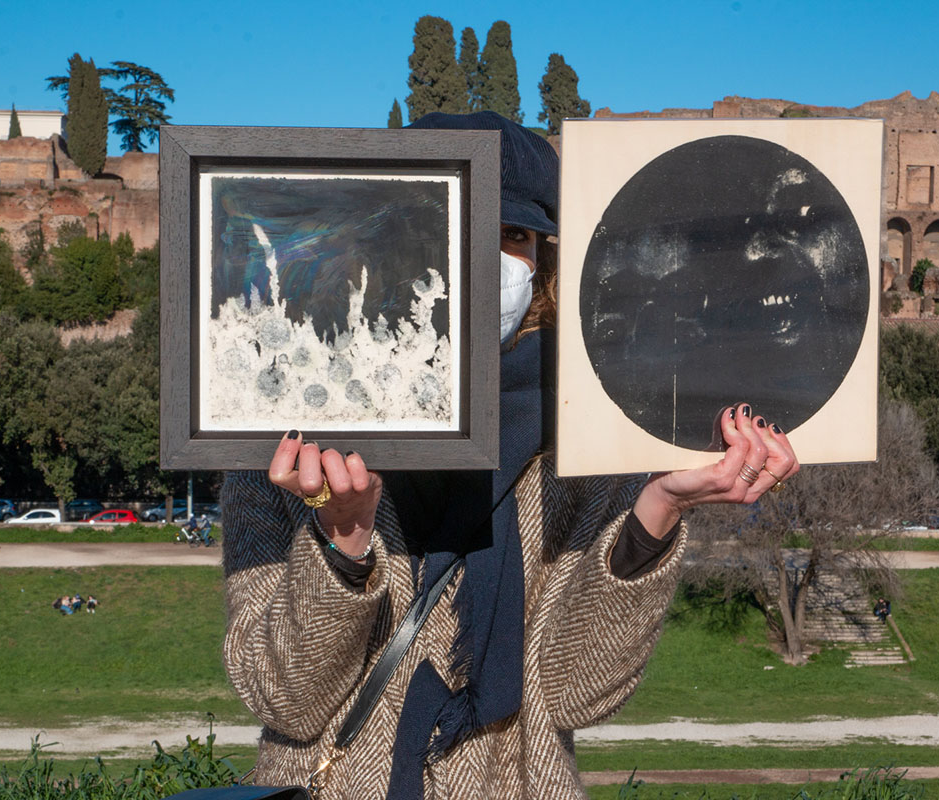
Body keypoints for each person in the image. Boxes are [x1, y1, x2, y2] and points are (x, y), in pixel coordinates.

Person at [220, 111, 801, 799]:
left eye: (514, 235)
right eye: (456, 224)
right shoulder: (283, 435)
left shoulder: (586, 433)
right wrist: (341, 545)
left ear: (544, 260)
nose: (489, 258)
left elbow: (576, 694)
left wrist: (658, 508)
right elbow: (283, 700)